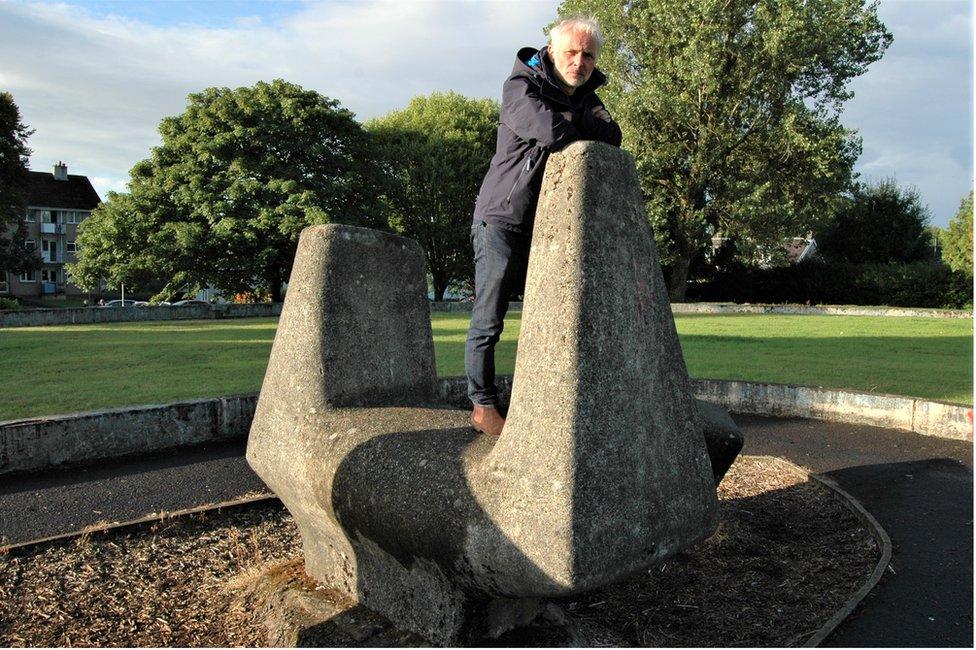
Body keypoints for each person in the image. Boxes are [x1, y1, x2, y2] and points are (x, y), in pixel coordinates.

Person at [465, 16, 622, 436]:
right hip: (501, 218)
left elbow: (612, 138)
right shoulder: (520, 86)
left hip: (548, 227)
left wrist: (577, 118)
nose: (580, 61)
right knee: (489, 318)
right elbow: (548, 130)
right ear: (551, 51)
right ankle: (483, 405)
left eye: (588, 54)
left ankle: (538, 402)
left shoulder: (586, 96)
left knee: (551, 316)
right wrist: (577, 121)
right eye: (571, 51)